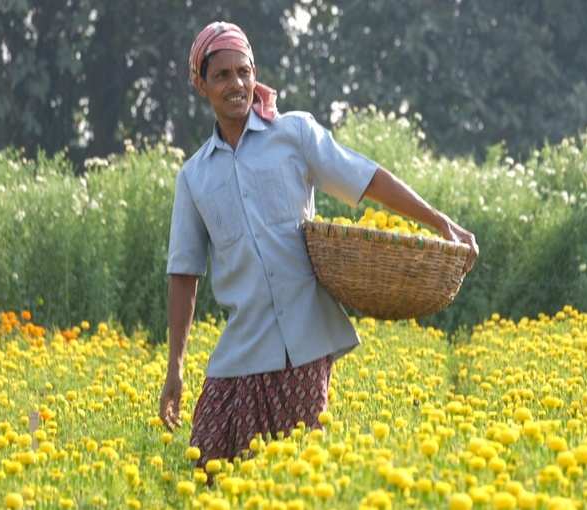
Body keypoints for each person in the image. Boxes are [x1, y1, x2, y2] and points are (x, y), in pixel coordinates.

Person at [158, 21, 478, 470]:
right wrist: (176, 367)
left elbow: (364, 177)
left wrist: (441, 222)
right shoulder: (194, 176)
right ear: (200, 84)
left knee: (294, 478)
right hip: (242, 346)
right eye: (222, 75)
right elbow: (183, 271)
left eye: (244, 72)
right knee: (208, 466)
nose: (237, 85)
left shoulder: (294, 134)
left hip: (304, 344)